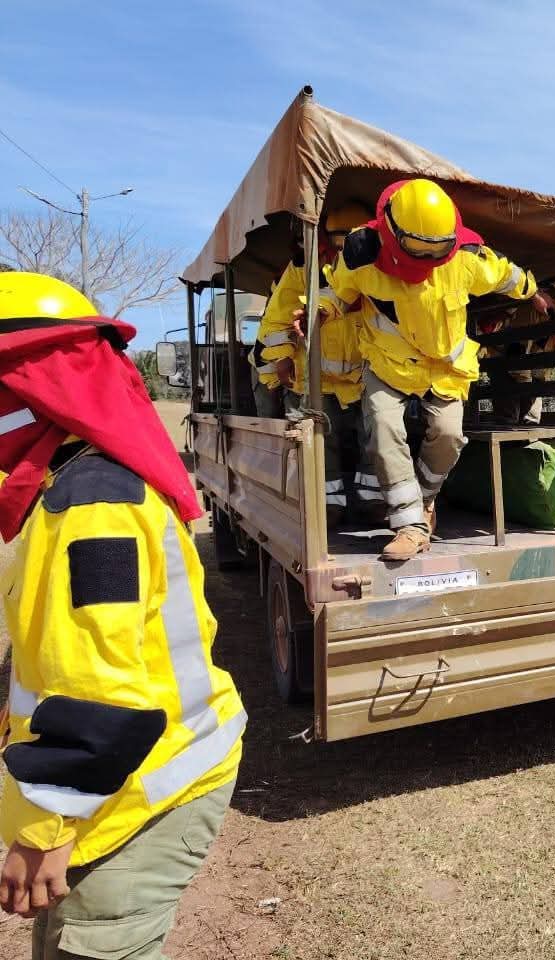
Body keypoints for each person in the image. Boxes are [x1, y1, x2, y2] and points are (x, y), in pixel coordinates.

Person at [0, 273, 246, 957]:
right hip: (116, 784)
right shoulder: (67, 476)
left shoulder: (92, 502)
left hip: (137, 788)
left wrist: (43, 829)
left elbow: (102, 695)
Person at [327, 178, 551, 560]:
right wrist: (318, 310)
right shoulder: (360, 254)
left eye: (438, 250)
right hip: (388, 362)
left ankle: (425, 501)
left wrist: (533, 292)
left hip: (445, 369)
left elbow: (506, 274)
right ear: (392, 232)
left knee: (447, 437)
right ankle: (410, 526)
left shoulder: (467, 257)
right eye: (418, 250)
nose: (428, 260)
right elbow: (337, 292)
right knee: (382, 430)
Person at [256, 201, 384, 524]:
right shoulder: (303, 269)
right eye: (339, 245)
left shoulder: (377, 271)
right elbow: (275, 320)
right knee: (321, 442)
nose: (345, 254)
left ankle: (374, 501)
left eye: (353, 245)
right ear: (326, 242)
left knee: (377, 433)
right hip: (316, 379)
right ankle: (328, 507)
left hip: (363, 377)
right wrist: (283, 358)